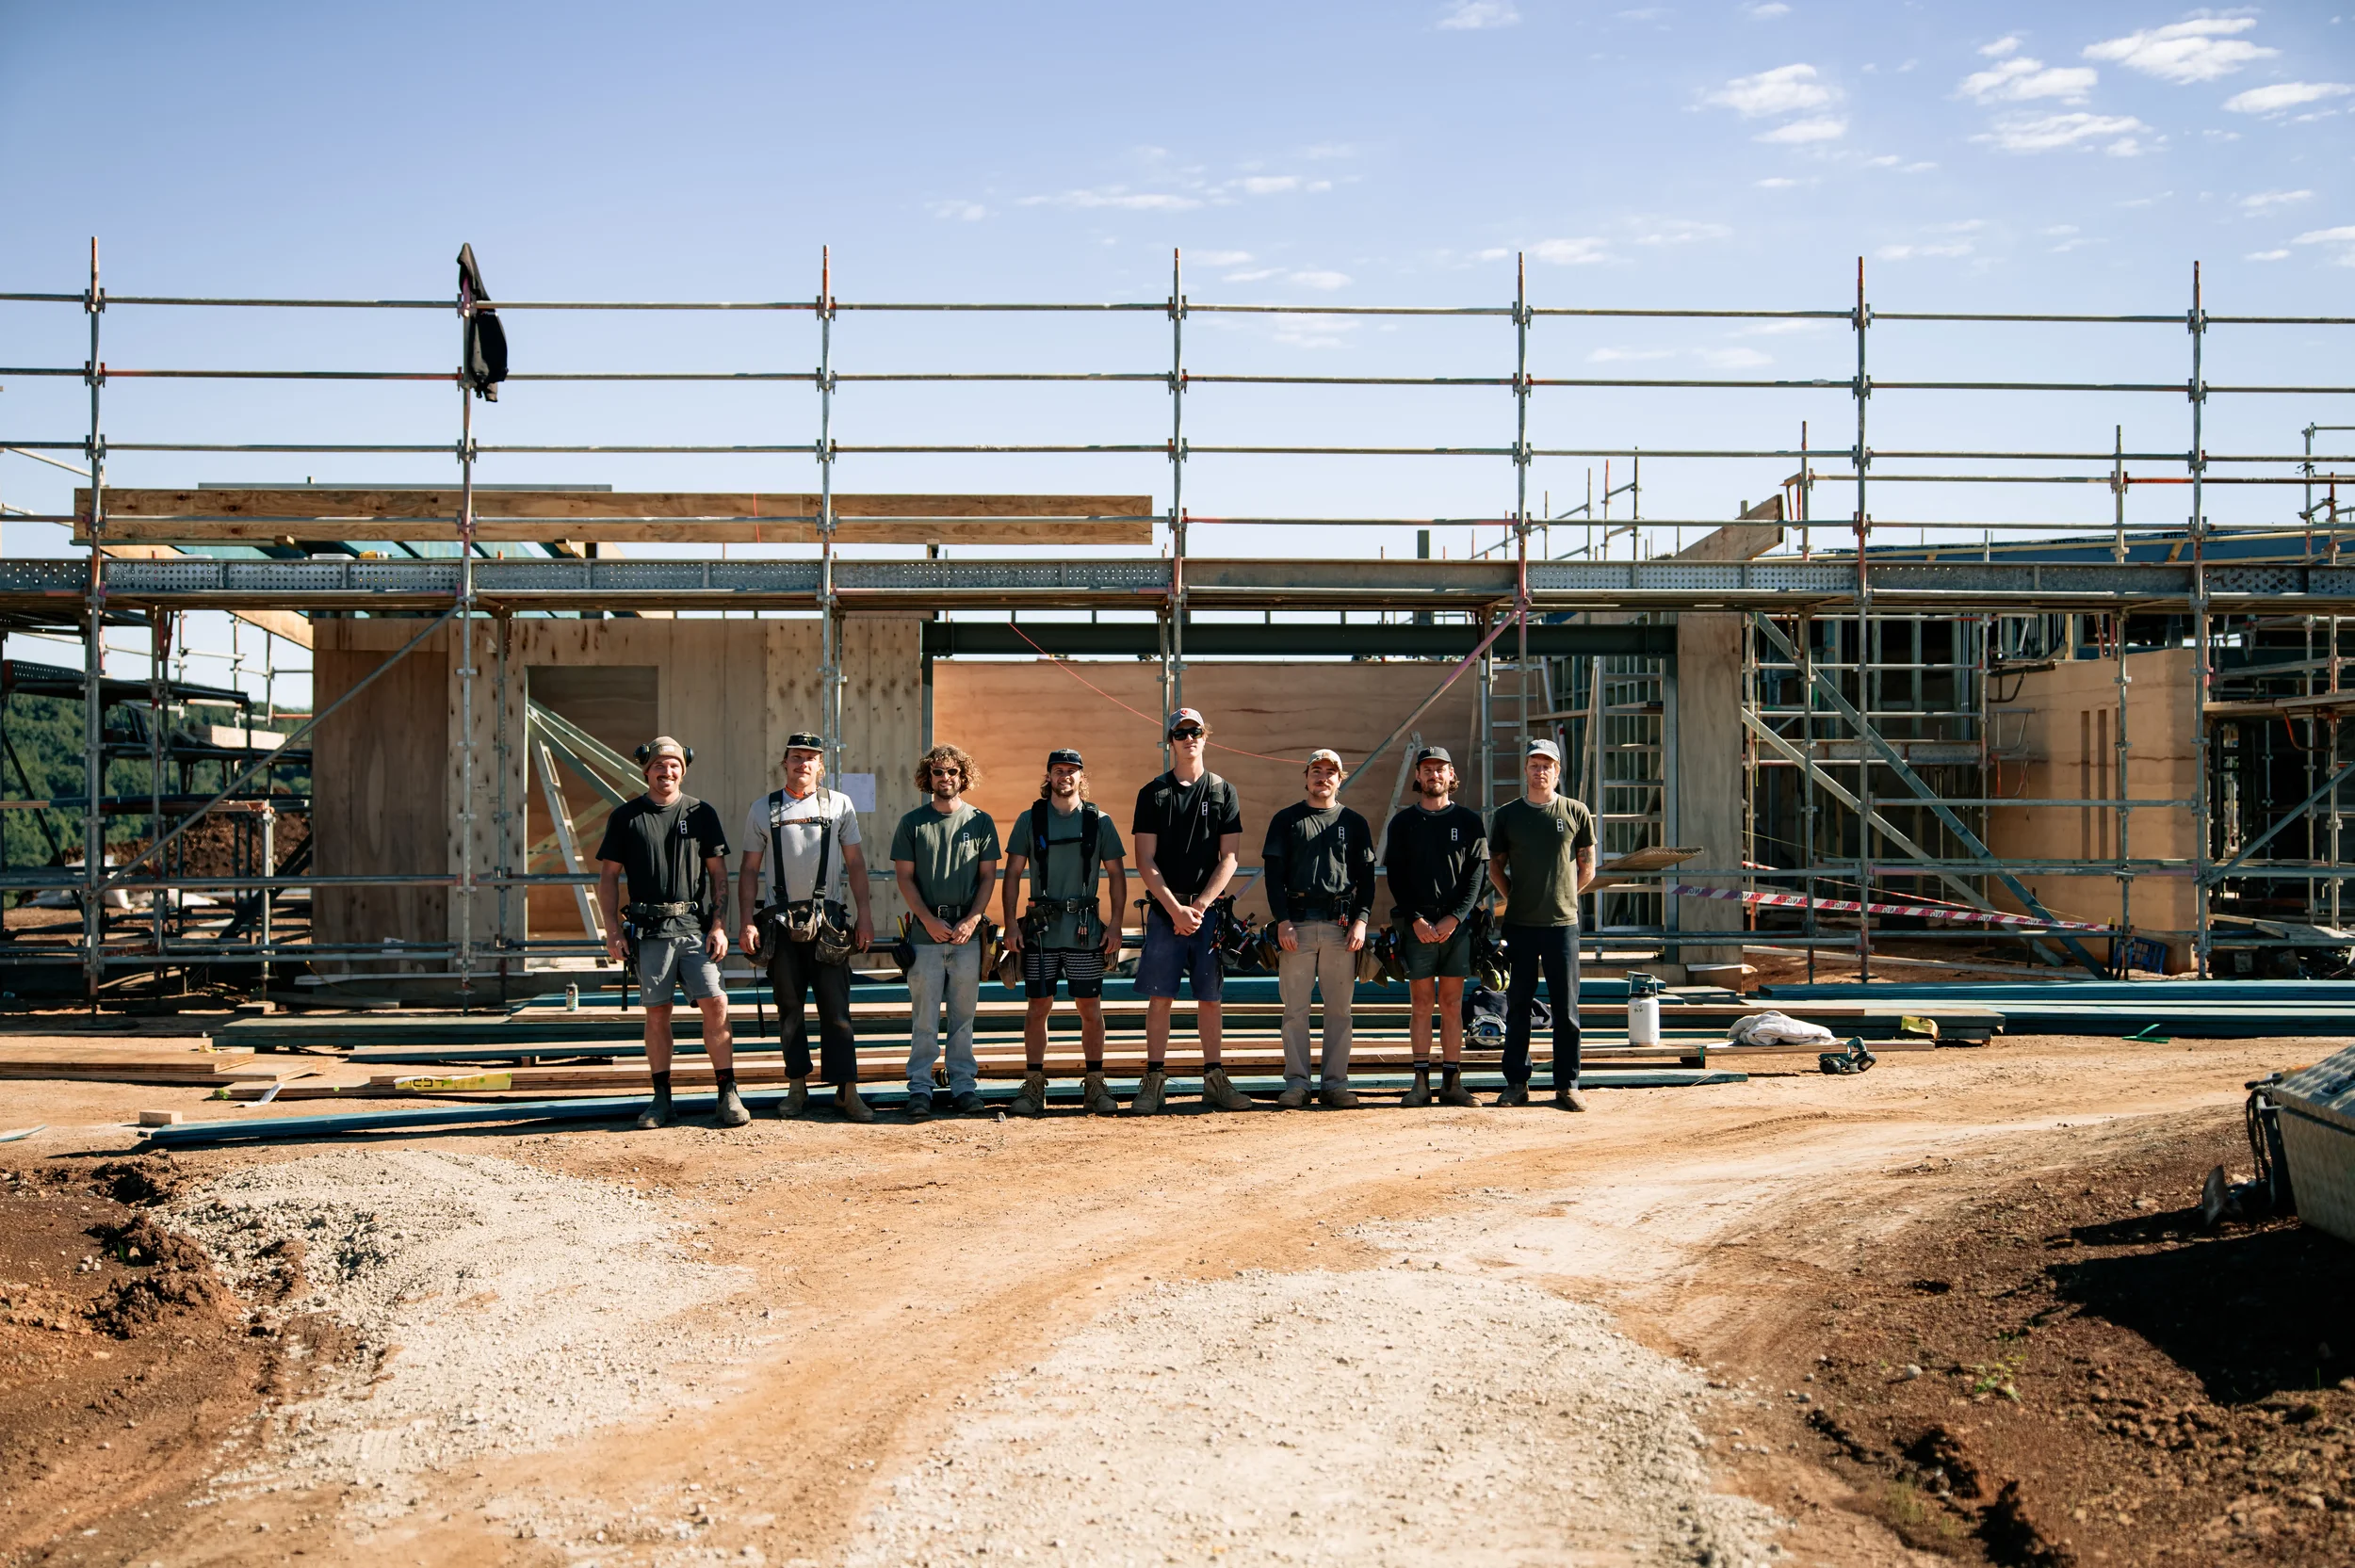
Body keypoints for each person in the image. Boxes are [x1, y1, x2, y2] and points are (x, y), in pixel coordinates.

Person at [593, 736, 742, 1131]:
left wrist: (720, 925)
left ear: (684, 769)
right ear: (646, 770)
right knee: (658, 1013)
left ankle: (728, 1094)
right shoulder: (626, 817)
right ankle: (661, 1100)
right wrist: (612, 930)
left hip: (694, 929)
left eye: (675, 765)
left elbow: (718, 874)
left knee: (716, 1003)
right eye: (660, 765)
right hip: (649, 932)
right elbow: (608, 877)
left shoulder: (701, 813)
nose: (668, 771)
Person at [738, 733, 875, 1122]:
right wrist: (747, 921)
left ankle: (847, 1092)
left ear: (820, 766)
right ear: (784, 763)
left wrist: (865, 915)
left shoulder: (839, 805)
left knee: (837, 1010)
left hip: (828, 921)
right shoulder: (762, 809)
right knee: (790, 1009)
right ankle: (796, 1088)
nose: (803, 764)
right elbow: (748, 870)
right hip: (780, 923)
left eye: (810, 758)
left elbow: (856, 865)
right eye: (796, 757)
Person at [1130, 707, 1249, 1115]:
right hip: (1166, 912)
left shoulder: (1222, 790)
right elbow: (1145, 859)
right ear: (1170, 741)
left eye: (1195, 731)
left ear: (1205, 736)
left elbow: (1230, 857)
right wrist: (1175, 908)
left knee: (1210, 998)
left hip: (1207, 913)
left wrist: (1198, 906)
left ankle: (1215, 1080)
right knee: (1160, 998)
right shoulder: (1153, 793)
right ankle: (1154, 1081)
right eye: (1180, 733)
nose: (1188, 738)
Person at [1000, 749, 1129, 1117]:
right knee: (1038, 1006)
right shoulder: (1030, 819)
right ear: (1049, 776)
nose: (1065, 777)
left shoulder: (1099, 821)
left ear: (1081, 777)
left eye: (1072, 771)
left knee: (1090, 1006)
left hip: (1085, 932)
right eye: (1059, 770)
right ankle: (1034, 1085)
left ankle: (1095, 1084)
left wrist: (1116, 924)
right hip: (1040, 933)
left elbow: (1117, 875)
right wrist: (1010, 924)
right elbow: (1011, 874)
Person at [1487, 737, 1600, 1110]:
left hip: (1562, 926)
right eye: (1534, 764)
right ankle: (1516, 1083)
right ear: (1525, 770)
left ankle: (1567, 1085)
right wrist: (1514, 897)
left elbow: (1588, 866)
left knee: (1566, 1009)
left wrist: (1566, 896)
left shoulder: (1576, 812)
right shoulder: (1507, 815)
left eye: (1547, 765)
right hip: (1520, 924)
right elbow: (1494, 866)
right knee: (1517, 1005)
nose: (1540, 771)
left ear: (1557, 771)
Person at [890, 743, 1000, 1120]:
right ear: (928, 778)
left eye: (952, 772)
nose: (946, 778)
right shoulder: (912, 823)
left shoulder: (980, 821)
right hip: (926, 935)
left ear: (962, 776)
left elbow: (989, 877)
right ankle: (920, 1088)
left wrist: (972, 919)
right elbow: (904, 878)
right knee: (924, 1019)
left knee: (963, 1017)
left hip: (967, 936)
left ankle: (963, 1085)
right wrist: (926, 920)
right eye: (938, 772)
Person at [1262, 748, 1376, 1109]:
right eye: (1316, 770)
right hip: (1296, 926)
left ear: (1340, 779)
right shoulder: (1287, 820)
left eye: (1331, 771)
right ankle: (1297, 1084)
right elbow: (1273, 877)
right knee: (1295, 1010)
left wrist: (1361, 919)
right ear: (1306, 776)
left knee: (1339, 1011)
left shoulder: (1354, 823)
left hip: (1340, 928)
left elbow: (1368, 880)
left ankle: (1335, 1084)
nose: (1323, 776)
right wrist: (1282, 921)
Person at [1382, 745, 1487, 1108]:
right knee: (1422, 1003)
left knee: (1453, 1003)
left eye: (1440, 769)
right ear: (1418, 776)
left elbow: (1477, 876)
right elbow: (1395, 877)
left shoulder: (1470, 822)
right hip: (1419, 925)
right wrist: (1416, 919)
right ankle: (1421, 1083)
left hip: (1456, 926)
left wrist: (1454, 917)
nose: (1433, 775)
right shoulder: (1403, 823)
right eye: (1427, 769)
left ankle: (1453, 1083)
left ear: (1451, 775)